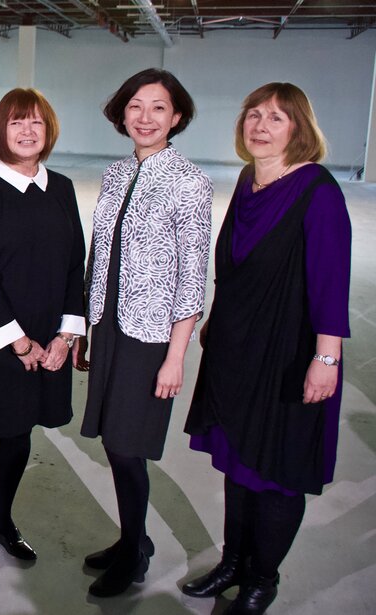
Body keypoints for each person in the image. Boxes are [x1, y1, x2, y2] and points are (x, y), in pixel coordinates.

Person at [182, 83, 351, 615]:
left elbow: (331, 281)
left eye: (276, 118)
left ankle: (262, 578)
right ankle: (233, 562)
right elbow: (234, 265)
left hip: (290, 353)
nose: (260, 126)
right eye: (253, 115)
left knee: (277, 469)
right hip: (238, 346)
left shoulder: (317, 190)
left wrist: (327, 358)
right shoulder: (248, 180)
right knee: (239, 462)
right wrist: (217, 316)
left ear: (298, 128)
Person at [75, 68, 213, 597]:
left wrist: (176, 357)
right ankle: (133, 536)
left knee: (128, 446)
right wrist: (88, 329)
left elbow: (191, 276)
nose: (146, 117)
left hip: (150, 335)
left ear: (176, 117)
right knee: (113, 442)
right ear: (122, 113)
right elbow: (99, 257)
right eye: (136, 105)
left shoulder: (190, 182)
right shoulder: (114, 175)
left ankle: (133, 555)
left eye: (159, 107)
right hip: (109, 326)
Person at [0, 88, 85, 589]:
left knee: (22, 430)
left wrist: (66, 336)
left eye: (36, 123)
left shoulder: (64, 188)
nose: (27, 131)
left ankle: (0, 518)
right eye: (16, 123)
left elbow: (77, 266)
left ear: (47, 129)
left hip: (50, 339)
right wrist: (20, 343)